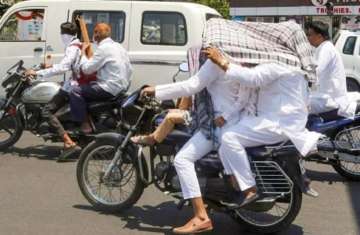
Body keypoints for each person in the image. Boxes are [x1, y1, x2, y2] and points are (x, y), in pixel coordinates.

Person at [140, 52, 255, 234]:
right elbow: (243, 97)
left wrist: (155, 90)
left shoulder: (215, 62)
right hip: (232, 122)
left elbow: (191, 85)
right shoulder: (238, 60)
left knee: (182, 160)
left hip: (216, 125)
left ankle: (201, 216)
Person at [25, 22, 82, 156]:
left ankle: (68, 142)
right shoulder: (77, 44)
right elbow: (65, 64)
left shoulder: (72, 48)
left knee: (47, 112)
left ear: (66, 35)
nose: (61, 36)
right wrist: (47, 66)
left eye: (62, 33)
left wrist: (37, 73)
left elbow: (63, 67)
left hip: (73, 86)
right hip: (75, 83)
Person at [69, 23, 132, 133]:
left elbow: (86, 69)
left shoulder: (103, 48)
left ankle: (84, 124)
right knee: (91, 84)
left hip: (109, 88)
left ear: (97, 34)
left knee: (75, 91)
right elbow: (130, 69)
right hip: (122, 87)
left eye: (95, 32)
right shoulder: (118, 46)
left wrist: (83, 53)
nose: (93, 35)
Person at [307, 21, 357, 119]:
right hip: (325, 95)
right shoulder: (322, 48)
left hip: (331, 98)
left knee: (298, 105)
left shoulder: (326, 49)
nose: (308, 38)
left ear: (319, 36)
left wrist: (299, 76)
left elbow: (315, 70)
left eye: (310, 35)